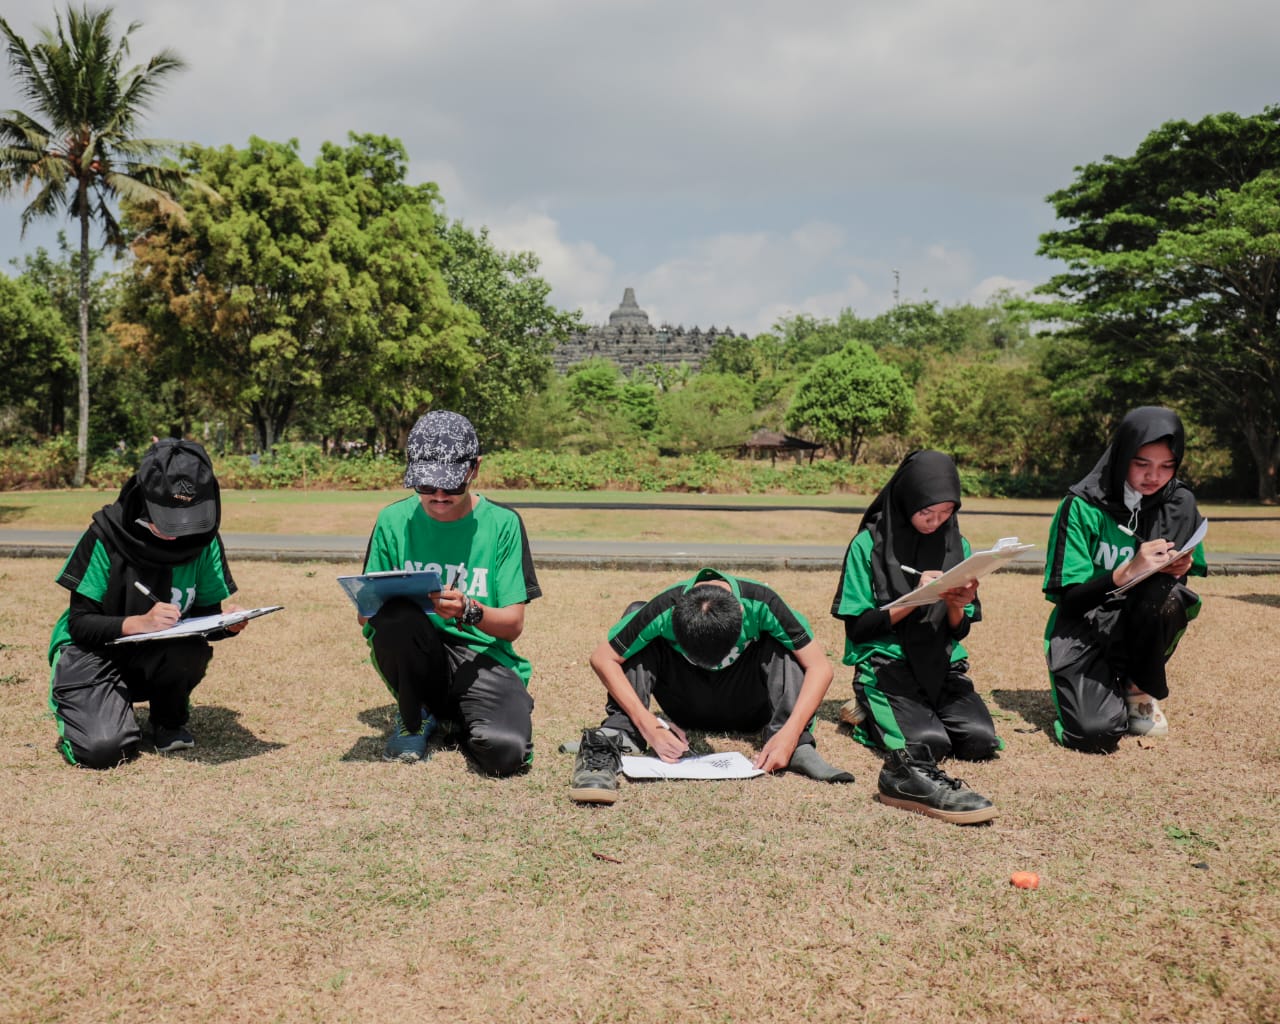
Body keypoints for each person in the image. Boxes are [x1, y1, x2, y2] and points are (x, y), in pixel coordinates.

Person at [569, 568, 853, 805]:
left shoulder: (762, 604)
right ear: (675, 617)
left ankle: (797, 748)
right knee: (636, 618)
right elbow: (602, 657)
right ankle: (621, 733)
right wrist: (647, 723)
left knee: (786, 643)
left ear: (740, 613)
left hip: (749, 705)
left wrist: (790, 734)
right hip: (686, 702)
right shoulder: (664, 607)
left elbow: (820, 667)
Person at [47, 439, 248, 768]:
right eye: (165, 516)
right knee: (102, 751)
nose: (177, 529)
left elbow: (203, 619)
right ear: (142, 498)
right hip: (92, 649)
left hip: (157, 653)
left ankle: (168, 721)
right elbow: (80, 623)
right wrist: (137, 623)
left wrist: (227, 626)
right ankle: (82, 704)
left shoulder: (204, 542)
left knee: (189, 650)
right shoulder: (104, 536)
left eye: (188, 517)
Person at [360, 410, 540, 775]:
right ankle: (415, 715)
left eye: (452, 484)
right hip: (419, 655)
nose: (439, 496)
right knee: (394, 615)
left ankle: (460, 716)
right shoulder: (393, 521)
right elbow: (367, 616)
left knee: (505, 753)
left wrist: (468, 610)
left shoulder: (503, 524)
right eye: (426, 485)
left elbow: (512, 625)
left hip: (482, 658)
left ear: (474, 469)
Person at [830, 449, 997, 825]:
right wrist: (917, 598)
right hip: (888, 661)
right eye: (927, 514)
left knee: (979, 742)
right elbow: (858, 626)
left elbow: (961, 627)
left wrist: (957, 602)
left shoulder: (959, 545)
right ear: (907, 501)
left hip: (941, 660)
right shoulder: (867, 546)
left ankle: (913, 710)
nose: (936, 523)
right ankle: (866, 711)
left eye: (946, 513)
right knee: (929, 745)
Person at [1043, 406, 1206, 752]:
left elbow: (1183, 580)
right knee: (1095, 734)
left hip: (1138, 620)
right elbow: (1069, 599)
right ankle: (1096, 687)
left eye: (1167, 466)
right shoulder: (1081, 505)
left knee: (1172, 596)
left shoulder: (1179, 502)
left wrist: (1183, 565)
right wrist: (1124, 572)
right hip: (1083, 624)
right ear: (1120, 457)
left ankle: (1136, 687)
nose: (1154, 477)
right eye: (1142, 463)